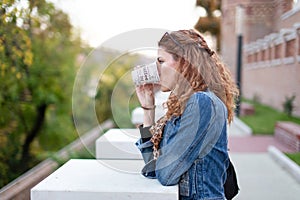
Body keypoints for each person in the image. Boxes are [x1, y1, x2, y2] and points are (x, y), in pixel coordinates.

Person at [135, 29, 239, 200]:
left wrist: (162, 161)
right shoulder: (182, 106)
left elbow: (166, 175)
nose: (156, 69)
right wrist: (148, 109)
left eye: (161, 61)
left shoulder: (202, 103)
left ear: (184, 64)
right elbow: (152, 168)